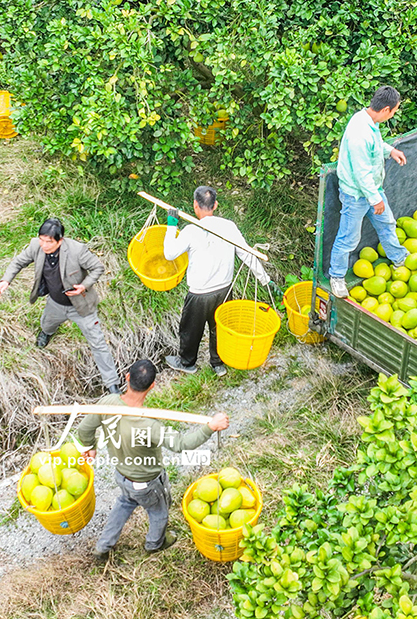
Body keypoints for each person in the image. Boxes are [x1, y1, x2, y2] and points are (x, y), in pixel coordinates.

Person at [76, 358, 229, 561]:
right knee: (159, 512)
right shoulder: (149, 425)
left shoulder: (107, 403)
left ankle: (103, 546)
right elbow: (182, 444)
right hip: (147, 483)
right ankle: (155, 543)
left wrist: (90, 447)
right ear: (152, 386)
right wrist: (210, 426)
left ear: (127, 377)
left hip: (122, 476)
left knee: (124, 503)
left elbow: (84, 429)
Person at [0, 218, 120, 393]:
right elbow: (18, 262)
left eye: (49, 242)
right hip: (55, 302)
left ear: (60, 240)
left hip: (81, 307)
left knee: (98, 343)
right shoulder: (35, 246)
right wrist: (5, 281)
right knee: (47, 324)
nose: (44, 245)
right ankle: (46, 333)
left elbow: (97, 268)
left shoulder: (77, 250)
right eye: (41, 239)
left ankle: (112, 383)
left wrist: (84, 286)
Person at [163, 186, 280, 376]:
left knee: (190, 329)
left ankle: (187, 363)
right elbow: (247, 254)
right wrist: (265, 279)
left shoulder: (191, 230)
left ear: (195, 205)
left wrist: (171, 225)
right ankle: (218, 364)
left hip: (200, 294)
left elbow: (169, 254)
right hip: (225, 289)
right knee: (220, 327)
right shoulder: (229, 226)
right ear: (215, 205)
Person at [328, 85, 409, 298]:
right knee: (348, 238)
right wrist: (375, 199)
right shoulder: (359, 133)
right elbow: (361, 172)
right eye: (394, 111)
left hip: (373, 189)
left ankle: (400, 259)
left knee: (387, 224)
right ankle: (336, 277)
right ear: (385, 110)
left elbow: (375, 146)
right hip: (356, 194)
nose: (392, 115)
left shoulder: (369, 122)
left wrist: (390, 151)